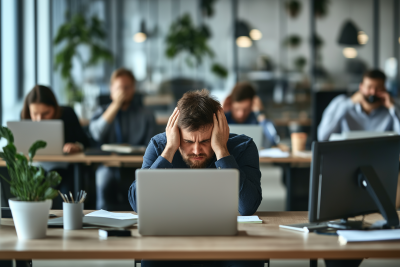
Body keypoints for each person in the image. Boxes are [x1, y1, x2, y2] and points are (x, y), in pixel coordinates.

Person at [128, 89, 263, 267]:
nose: (197, 150)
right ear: (176, 132)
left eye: (206, 141)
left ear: (219, 131)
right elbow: (138, 203)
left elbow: (247, 207)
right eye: (189, 142)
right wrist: (169, 150)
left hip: (229, 241)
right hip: (172, 241)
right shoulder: (160, 145)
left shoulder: (243, 147)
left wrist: (222, 151)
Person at [89, 68, 156, 210]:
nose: (123, 92)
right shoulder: (102, 112)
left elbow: (152, 145)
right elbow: (96, 134)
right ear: (111, 89)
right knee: (103, 179)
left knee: (142, 185)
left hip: (136, 166)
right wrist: (115, 105)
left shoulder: (146, 115)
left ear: (133, 89)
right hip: (108, 166)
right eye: (119, 88)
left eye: (127, 87)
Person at [21, 85, 90, 208]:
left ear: (55, 107)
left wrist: (77, 146)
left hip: (65, 169)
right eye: (35, 114)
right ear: (28, 111)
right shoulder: (24, 118)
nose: (39, 119)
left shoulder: (68, 114)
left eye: (46, 113)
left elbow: (85, 141)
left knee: (67, 193)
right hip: (36, 168)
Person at [318, 69, 400, 141]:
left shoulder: (393, 107)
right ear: (361, 87)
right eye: (369, 87)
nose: (373, 92)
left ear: (384, 89)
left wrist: (393, 109)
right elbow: (323, 137)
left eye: (378, 88)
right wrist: (349, 104)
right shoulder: (340, 103)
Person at [223, 82, 279, 147]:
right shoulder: (224, 118)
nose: (241, 114)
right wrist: (220, 111)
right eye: (237, 109)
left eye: (246, 109)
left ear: (253, 104)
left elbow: (274, 139)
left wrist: (261, 114)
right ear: (231, 104)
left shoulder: (257, 119)